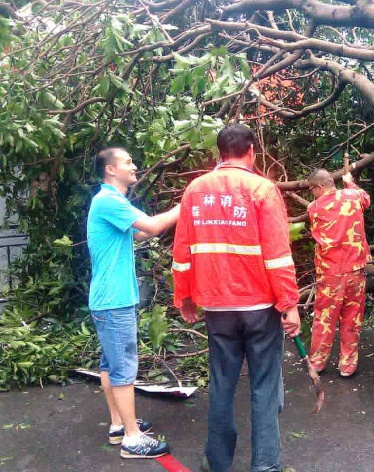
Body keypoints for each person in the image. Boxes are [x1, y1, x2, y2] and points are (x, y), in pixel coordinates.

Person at [171, 123, 301, 472]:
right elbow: (277, 254)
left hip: (216, 306)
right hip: (259, 307)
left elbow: (182, 250)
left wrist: (184, 296)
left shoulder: (195, 190)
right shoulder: (262, 189)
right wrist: (288, 304)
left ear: (219, 153)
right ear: (252, 152)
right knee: (264, 386)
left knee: (222, 384)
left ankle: (217, 463)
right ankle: (266, 466)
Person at [87, 147, 179, 458]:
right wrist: (186, 205)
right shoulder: (109, 200)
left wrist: (155, 226)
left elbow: (137, 234)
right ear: (111, 170)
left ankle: (117, 424)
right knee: (124, 368)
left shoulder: (110, 202)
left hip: (107, 299)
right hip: (114, 300)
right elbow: (151, 226)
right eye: (127, 162)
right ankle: (132, 437)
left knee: (109, 365)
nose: (134, 166)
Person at [306, 168, 371, 377]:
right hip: (356, 270)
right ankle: (347, 365)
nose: (311, 193)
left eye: (311, 189)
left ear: (319, 187)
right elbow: (366, 200)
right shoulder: (354, 196)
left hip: (330, 272)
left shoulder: (314, 208)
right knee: (352, 317)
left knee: (325, 317)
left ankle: (317, 363)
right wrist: (350, 181)